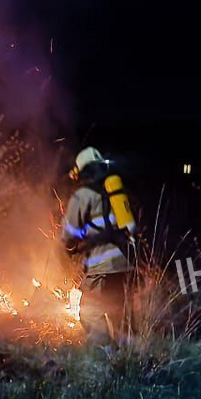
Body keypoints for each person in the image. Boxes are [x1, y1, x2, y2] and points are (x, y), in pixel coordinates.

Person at [60, 147, 138, 346]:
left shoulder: (81, 196)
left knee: (90, 311)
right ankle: (131, 356)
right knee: (119, 310)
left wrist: (71, 247)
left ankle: (102, 356)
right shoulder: (116, 191)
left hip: (101, 266)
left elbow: (68, 234)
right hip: (126, 264)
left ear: (82, 172)